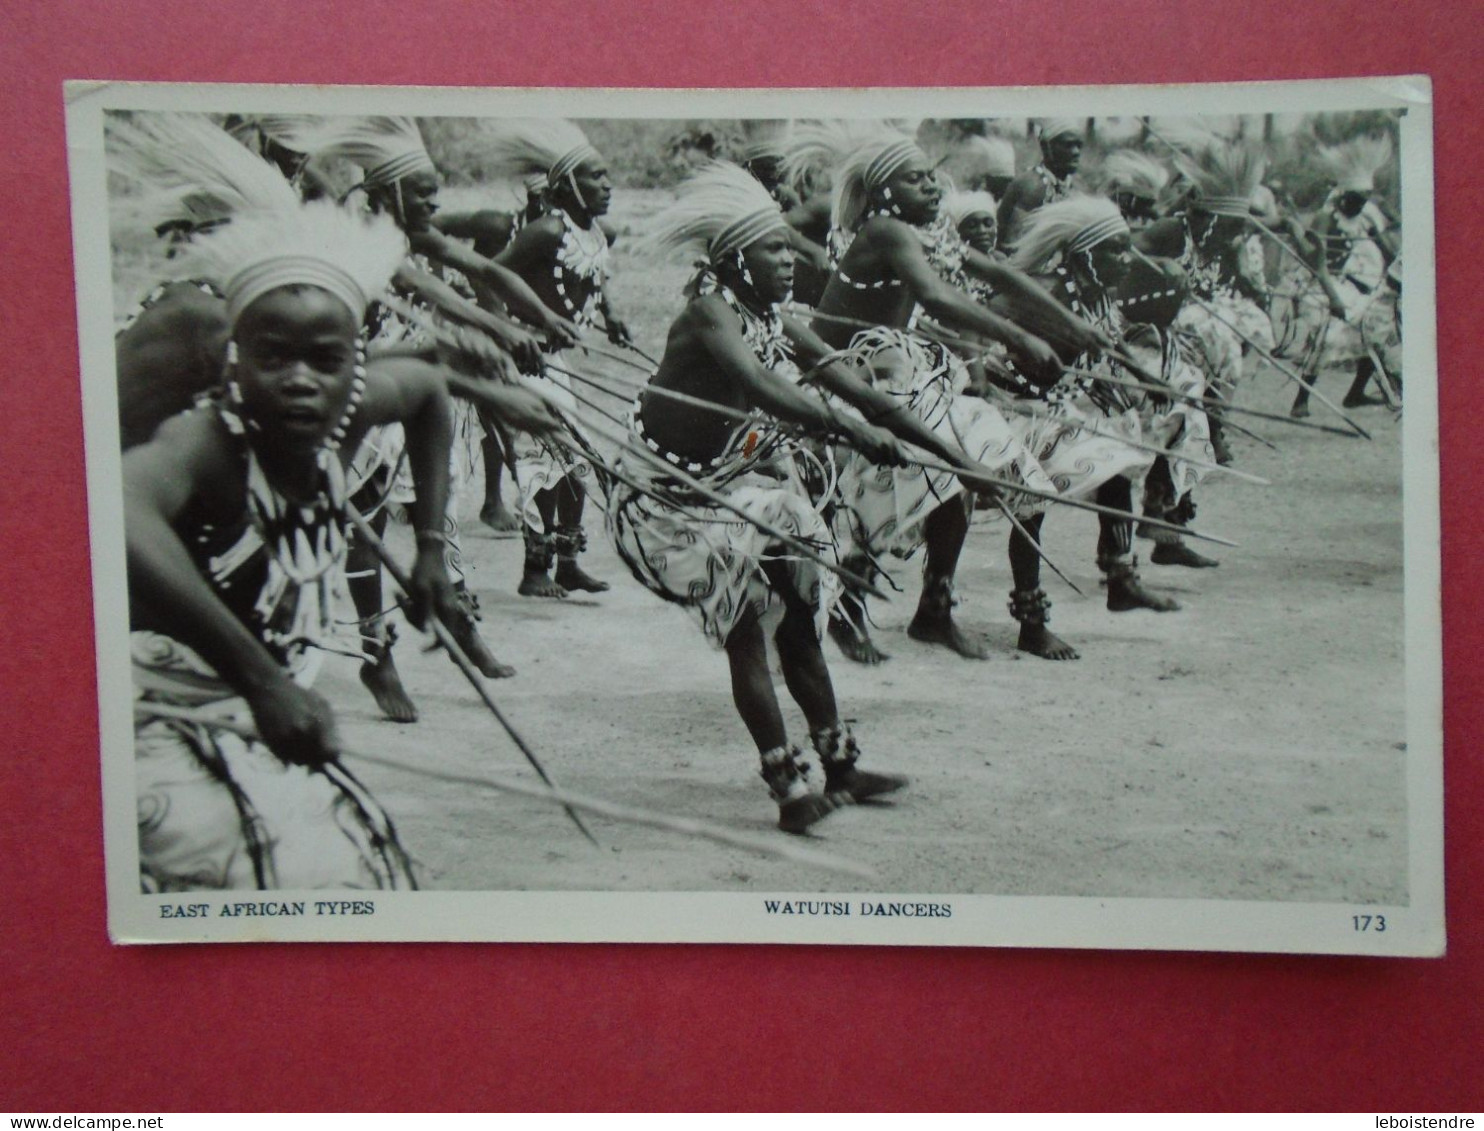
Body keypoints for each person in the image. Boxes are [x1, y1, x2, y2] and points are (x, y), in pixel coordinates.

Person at [127, 200, 456, 890]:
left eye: (326, 360)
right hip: (154, 718)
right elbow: (123, 507)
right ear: (234, 361)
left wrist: (430, 550)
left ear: (355, 368)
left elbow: (430, 389)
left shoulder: (349, 408)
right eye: (273, 356)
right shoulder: (206, 444)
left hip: (257, 715)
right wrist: (264, 681)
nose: (301, 379)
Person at [611, 162, 910, 832]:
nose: (790, 259)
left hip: (736, 488)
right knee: (747, 630)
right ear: (734, 257)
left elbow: (856, 388)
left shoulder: (771, 316)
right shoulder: (708, 312)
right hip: (668, 503)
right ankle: (788, 791)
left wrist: (944, 452)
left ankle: (841, 766)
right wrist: (851, 430)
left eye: (787, 246)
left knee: (801, 617)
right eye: (773, 248)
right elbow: (763, 384)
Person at [786, 123, 1110, 664]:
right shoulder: (884, 232)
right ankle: (845, 605)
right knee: (916, 470)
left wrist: (1072, 326)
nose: (933, 189)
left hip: (902, 378)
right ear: (884, 191)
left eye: (932, 178)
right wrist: (1018, 336)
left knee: (983, 454)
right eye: (915, 180)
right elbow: (936, 297)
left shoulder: (928, 233)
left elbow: (1000, 274)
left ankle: (934, 609)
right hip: (843, 383)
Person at [1009, 195, 1220, 626]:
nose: (1128, 259)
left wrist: (1145, 378)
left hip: (1059, 406)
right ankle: (1030, 620)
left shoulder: (1095, 294)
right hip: (1018, 407)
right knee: (1027, 507)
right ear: (1085, 255)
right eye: (1116, 250)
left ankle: (1121, 579)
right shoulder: (1046, 293)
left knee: (1116, 467)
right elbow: (988, 317)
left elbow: (1108, 338)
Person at [481, 118, 637, 598]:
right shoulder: (545, 231)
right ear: (567, 185)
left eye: (608, 176)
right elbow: (486, 276)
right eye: (595, 178)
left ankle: (567, 562)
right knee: (546, 460)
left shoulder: (597, 233)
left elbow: (597, 277)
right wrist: (506, 334)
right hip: (522, 359)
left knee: (577, 461)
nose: (607, 186)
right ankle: (534, 571)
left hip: (554, 363)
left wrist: (610, 316)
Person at [1285, 134, 1399, 417]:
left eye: (1364, 200)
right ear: (1342, 195)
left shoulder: (1367, 214)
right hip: (1321, 285)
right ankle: (1301, 399)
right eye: (1355, 200)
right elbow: (1316, 262)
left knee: (1377, 328)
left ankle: (1355, 392)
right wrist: (1332, 296)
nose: (1359, 205)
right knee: (1327, 333)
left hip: (1352, 284)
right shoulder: (1326, 218)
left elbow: (1387, 246)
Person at [995, 119, 1083, 249]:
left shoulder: (1075, 189)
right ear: (1046, 147)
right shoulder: (1029, 186)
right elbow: (1013, 244)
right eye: (1068, 145)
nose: (1076, 152)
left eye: (1078, 145)